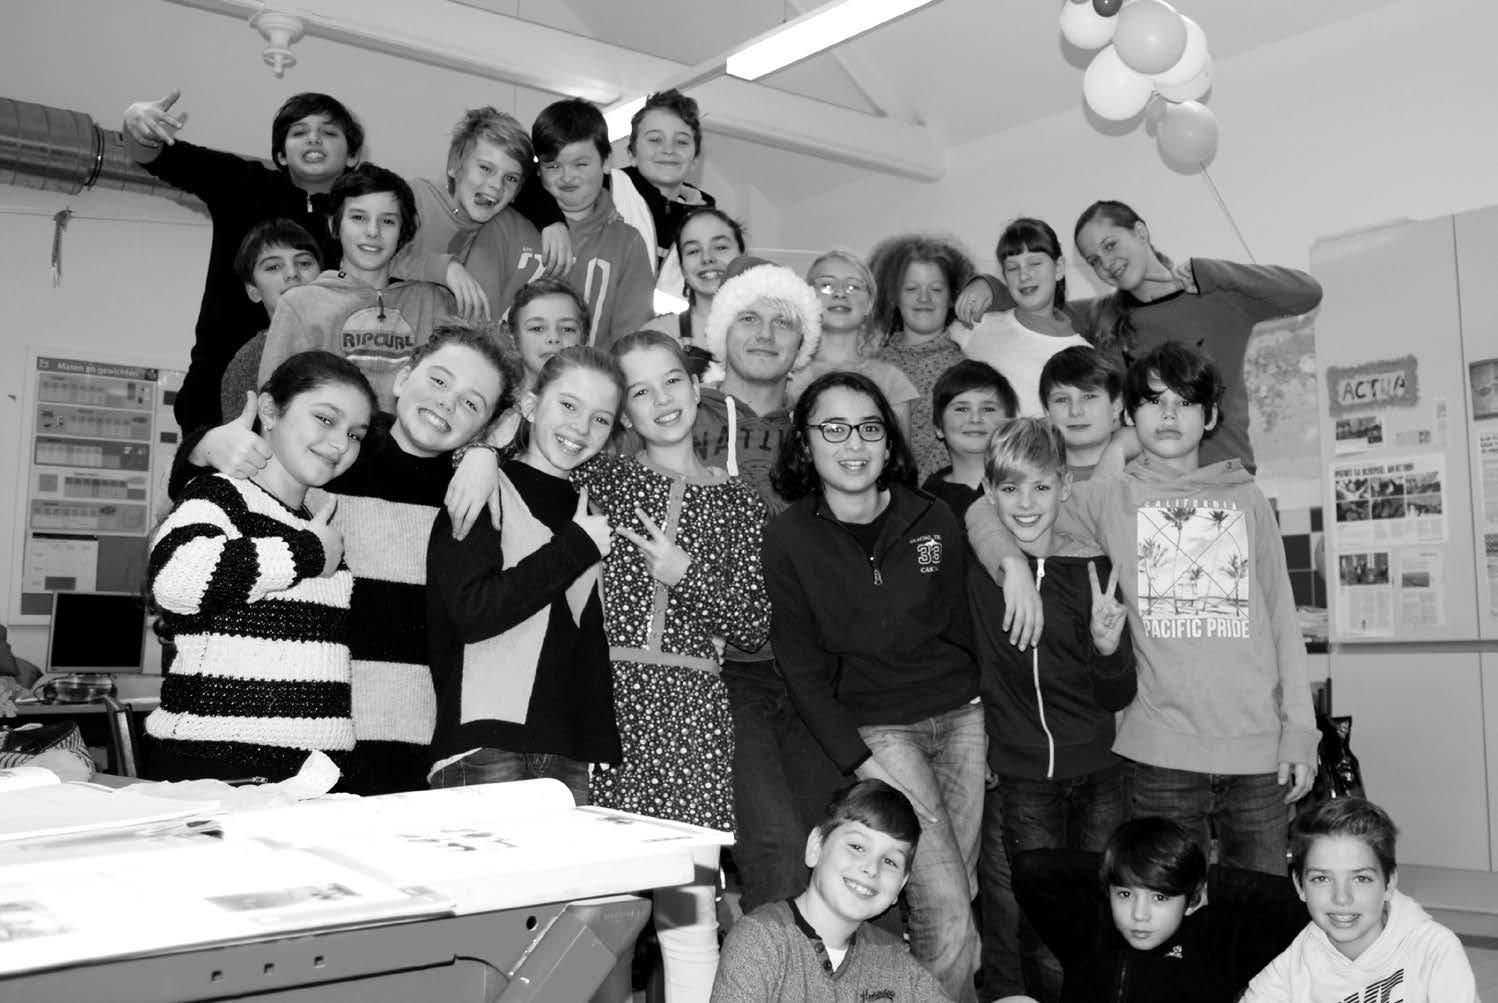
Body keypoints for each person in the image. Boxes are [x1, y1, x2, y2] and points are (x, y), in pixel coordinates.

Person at [968, 343, 1318, 873]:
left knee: (1259, 913)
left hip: (1258, 751)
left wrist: (1300, 732)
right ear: (1130, 416)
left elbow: (1282, 620)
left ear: (1211, 417)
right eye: (1154, 401)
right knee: (1166, 914)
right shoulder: (1107, 498)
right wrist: (1011, 567)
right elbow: (987, 506)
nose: (1169, 415)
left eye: (1185, 402)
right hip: (1159, 758)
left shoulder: (1246, 497)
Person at [171, 324, 519, 794]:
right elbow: (215, 490)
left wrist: (486, 455)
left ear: (488, 425)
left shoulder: (476, 495)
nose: (447, 403)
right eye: (439, 380)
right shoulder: (336, 453)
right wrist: (203, 445)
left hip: (413, 737)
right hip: (297, 734)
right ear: (403, 378)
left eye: (472, 403)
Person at [765, 371, 983, 1002]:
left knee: (961, 893)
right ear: (806, 442)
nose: (853, 443)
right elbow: (801, 671)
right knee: (944, 904)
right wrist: (862, 763)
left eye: (868, 427)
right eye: (833, 428)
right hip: (881, 731)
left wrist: (988, 711)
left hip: (963, 719)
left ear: (889, 442)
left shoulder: (933, 518)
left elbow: (966, 624)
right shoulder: (788, 539)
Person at [576, 330, 772, 1001]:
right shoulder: (602, 479)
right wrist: (485, 457)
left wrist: (684, 573)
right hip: (604, 708)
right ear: (623, 412)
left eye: (672, 381)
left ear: (696, 386)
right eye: (640, 391)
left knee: (687, 921)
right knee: (597, 916)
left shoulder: (741, 503)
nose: (662, 400)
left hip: (692, 720)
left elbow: (754, 624)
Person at [690, 253, 845, 915]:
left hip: (814, 669)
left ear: (802, 341)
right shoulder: (679, 414)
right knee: (777, 853)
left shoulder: (822, 430)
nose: (764, 333)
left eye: (783, 322)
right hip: (724, 669)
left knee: (825, 852)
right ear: (721, 330)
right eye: (748, 317)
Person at [146, 351, 374, 783]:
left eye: (354, 434)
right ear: (269, 410)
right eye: (325, 419)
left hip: (307, 769)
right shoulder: (222, 494)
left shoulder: (313, 519)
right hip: (217, 764)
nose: (341, 444)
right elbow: (176, 579)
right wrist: (305, 553)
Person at [957, 202, 1323, 471]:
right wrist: (988, 286)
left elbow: (1307, 293)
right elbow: (1035, 300)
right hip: (1145, 491)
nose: (1106, 263)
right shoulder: (1099, 316)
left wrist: (1214, 272)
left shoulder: (1220, 299)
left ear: (1141, 233)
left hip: (1222, 481)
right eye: (1094, 259)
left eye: (1110, 245)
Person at [969, 418, 1136, 1002]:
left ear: (1065, 487)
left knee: (1101, 915)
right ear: (989, 492)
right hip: (1024, 780)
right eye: (1010, 488)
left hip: (1101, 773)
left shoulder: (1094, 569)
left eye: (1041, 486)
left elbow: (1117, 694)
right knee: (1041, 926)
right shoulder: (981, 571)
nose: (1026, 503)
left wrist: (1108, 649)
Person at [425, 347, 624, 804]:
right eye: (568, 405)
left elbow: (584, 635)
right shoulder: (482, 486)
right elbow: (473, 612)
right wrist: (574, 547)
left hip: (565, 751)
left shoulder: (587, 510)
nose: (581, 427)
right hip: (483, 744)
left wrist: (595, 739)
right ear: (531, 407)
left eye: (600, 419)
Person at [123, 89, 362, 430]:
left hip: (310, 400)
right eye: (299, 132)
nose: (314, 139)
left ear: (352, 156)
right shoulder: (244, 184)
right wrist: (136, 122)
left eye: (329, 132)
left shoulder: (363, 222)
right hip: (216, 389)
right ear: (280, 155)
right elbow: (159, 157)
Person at [1012, 817, 1309, 1003]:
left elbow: (1301, 905)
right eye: (1125, 894)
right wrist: (1121, 866)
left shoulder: (1216, 940)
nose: (1139, 915)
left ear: (1191, 898)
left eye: (1160, 897)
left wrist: (1212, 885)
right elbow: (1030, 868)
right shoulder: (1089, 932)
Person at [711, 780, 954, 1002]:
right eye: (857, 847)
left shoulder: (894, 961)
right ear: (816, 847)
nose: (871, 868)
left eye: (890, 861)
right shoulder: (762, 940)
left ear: (901, 884)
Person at [257, 164, 456, 411]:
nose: (373, 232)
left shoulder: (433, 302)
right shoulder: (299, 303)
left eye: (387, 221)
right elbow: (272, 402)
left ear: (404, 231)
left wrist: (448, 269)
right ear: (334, 224)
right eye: (358, 218)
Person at [1242, 798, 1479, 1002]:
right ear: (1299, 885)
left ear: (1389, 884)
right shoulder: (1290, 964)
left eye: (1361, 879)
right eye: (1321, 878)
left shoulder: (1435, 949)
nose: (1341, 898)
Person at [468, 98, 653, 349]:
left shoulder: (628, 243)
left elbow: (631, 343)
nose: (567, 176)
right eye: (553, 165)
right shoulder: (501, 225)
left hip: (589, 374)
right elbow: (477, 325)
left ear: (607, 161)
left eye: (581, 164)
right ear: (538, 169)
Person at [391, 106, 561, 322]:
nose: (496, 186)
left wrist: (554, 222)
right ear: (454, 165)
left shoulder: (499, 225)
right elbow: (370, 256)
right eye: (485, 168)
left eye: (510, 178)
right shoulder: (411, 199)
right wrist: (446, 269)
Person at [951, 218, 1090, 418]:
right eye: (1012, 268)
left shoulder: (1082, 355)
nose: (1024, 275)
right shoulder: (977, 326)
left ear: (1059, 268)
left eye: (1035, 263)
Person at [869, 235, 978, 477]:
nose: (924, 298)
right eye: (911, 289)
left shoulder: (970, 365)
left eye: (936, 289)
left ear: (952, 298)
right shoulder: (873, 367)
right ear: (895, 297)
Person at [788, 250, 919, 438]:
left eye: (853, 287)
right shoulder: (788, 377)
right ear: (807, 297)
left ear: (869, 304)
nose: (840, 293)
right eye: (826, 285)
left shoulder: (891, 380)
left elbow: (901, 454)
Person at [612, 89, 717, 313]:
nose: (669, 150)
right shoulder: (606, 193)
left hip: (668, 334)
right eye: (655, 140)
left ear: (695, 159)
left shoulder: (709, 227)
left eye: (681, 142)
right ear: (631, 154)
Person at [219, 219, 324, 421]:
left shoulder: (350, 340)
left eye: (304, 263)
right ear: (254, 291)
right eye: (274, 267)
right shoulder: (248, 363)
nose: (292, 274)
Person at [642, 207, 746, 369]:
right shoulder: (657, 336)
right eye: (693, 251)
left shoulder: (773, 326)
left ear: (743, 256)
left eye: (720, 247)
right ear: (682, 268)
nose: (707, 258)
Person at [920, 360, 1019, 521]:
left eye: (988, 409)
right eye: (962, 409)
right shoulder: (924, 504)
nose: (975, 418)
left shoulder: (1033, 488)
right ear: (938, 426)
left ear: (1010, 423)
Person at [1038, 346, 1124, 482]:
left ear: (1116, 406)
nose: (1075, 411)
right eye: (1061, 399)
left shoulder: (1146, 471)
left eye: (1089, 397)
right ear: (1046, 411)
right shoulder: (1027, 477)